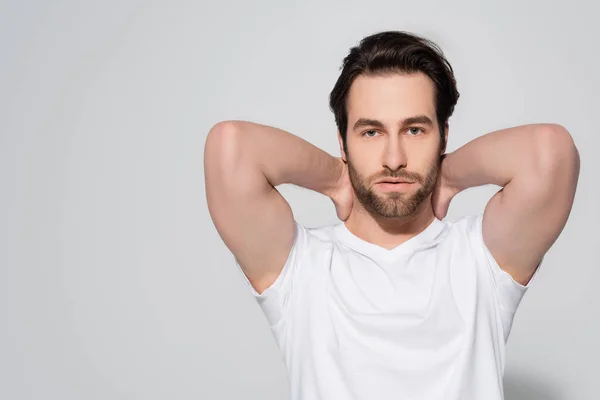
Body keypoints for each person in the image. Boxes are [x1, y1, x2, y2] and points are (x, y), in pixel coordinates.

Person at [204, 31, 580, 400]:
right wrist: (336, 179)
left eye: (414, 130)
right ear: (342, 141)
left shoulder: (481, 259)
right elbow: (231, 145)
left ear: (443, 138)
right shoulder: (301, 266)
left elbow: (550, 151)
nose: (394, 159)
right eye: (371, 133)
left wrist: (448, 177)